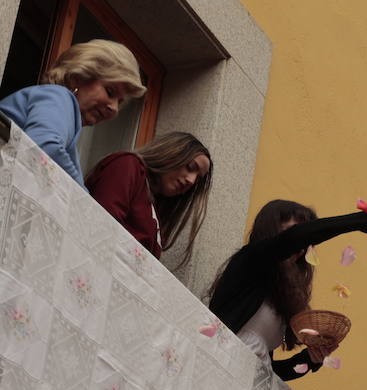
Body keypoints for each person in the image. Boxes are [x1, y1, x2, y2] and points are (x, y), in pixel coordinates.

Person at [206, 196, 367, 380]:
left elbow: (270, 373)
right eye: (298, 233)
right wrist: (364, 220)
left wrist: (309, 359)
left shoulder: (277, 299)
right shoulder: (249, 260)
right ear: (273, 230)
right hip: (216, 370)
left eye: (307, 242)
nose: (304, 245)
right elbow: (296, 237)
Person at [0, 39, 145, 183]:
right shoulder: (59, 96)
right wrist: (83, 201)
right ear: (78, 77)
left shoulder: (66, 122)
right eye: (110, 92)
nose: (114, 108)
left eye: (120, 102)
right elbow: (44, 148)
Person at [87, 131, 212, 266]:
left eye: (197, 179)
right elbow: (103, 225)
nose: (191, 180)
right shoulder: (127, 165)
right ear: (172, 152)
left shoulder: (154, 210)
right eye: (191, 167)